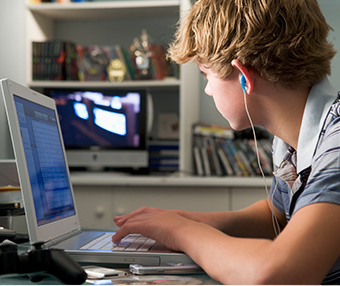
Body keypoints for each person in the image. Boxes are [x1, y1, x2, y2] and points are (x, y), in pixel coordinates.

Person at [112, 0, 340, 284]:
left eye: (206, 75)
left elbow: (280, 273)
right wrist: (187, 220)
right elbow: (278, 216)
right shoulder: (292, 135)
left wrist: (181, 232)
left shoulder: (336, 145)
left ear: (244, 77)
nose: (207, 90)